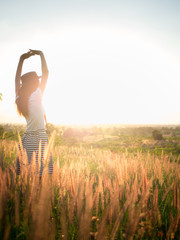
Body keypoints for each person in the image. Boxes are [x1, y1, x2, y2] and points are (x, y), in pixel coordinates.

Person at [15, 49, 53, 177]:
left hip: (26, 140)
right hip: (40, 138)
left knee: (25, 177)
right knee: (41, 177)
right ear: (36, 82)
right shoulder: (38, 94)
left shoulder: (19, 98)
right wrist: (41, 54)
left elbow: (16, 79)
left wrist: (21, 59)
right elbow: (46, 73)